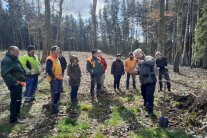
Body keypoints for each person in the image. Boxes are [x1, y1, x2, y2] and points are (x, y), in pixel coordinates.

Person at [1, 46, 26, 123]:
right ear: (11, 51)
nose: (18, 53)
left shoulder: (13, 58)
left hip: (18, 84)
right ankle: (14, 119)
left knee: (18, 100)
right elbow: (4, 74)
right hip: (14, 84)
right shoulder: (7, 60)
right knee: (15, 101)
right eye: (17, 51)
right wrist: (16, 81)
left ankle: (17, 116)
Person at [133, 48, 157, 117]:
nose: (136, 56)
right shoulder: (138, 63)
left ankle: (150, 111)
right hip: (143, 82)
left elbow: (153, 62)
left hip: (151, 81)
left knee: (149, 95)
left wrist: (143, 61)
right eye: (135, 55)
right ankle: (146, 105)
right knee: (143, 94)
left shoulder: (148, 57)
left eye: (137, 54)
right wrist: (136, 72)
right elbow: (140, 71)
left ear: (141, 53)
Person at [46, 46, 62, 114]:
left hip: (59, 78)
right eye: (57, 50)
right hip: (54, 79)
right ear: (53, 51)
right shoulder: (50, 59)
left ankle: (56, 104)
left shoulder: (57, 58)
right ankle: (54, 107)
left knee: (58, 92)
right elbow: (48, 70)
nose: (59, 51)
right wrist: (54, 77)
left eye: (59, 50)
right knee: (54, 92)